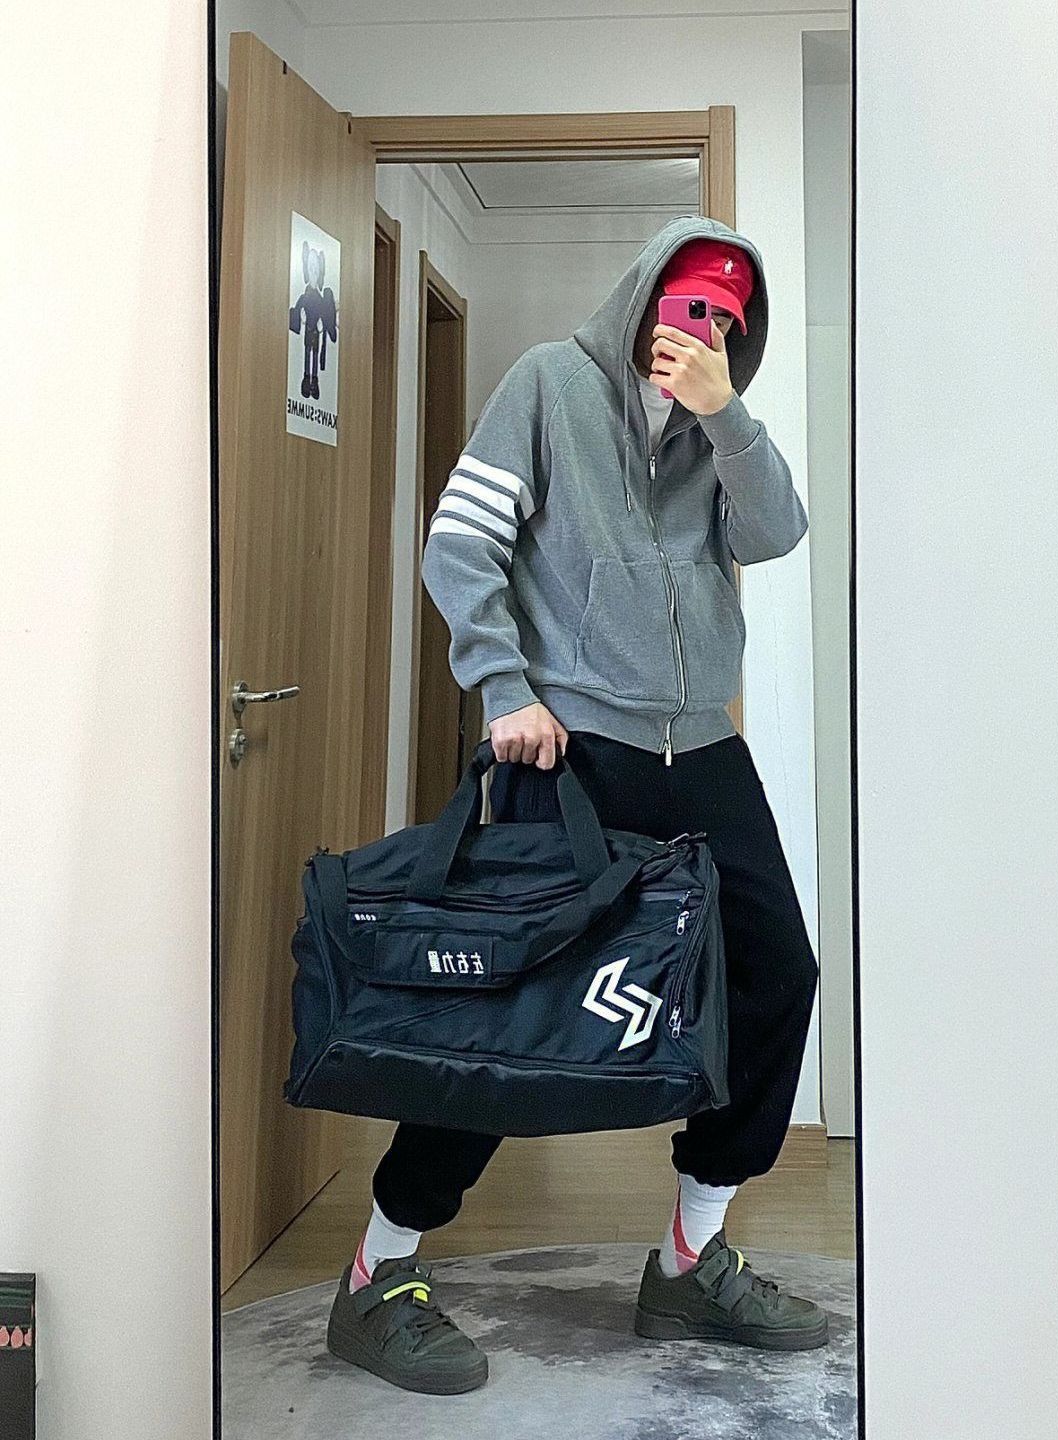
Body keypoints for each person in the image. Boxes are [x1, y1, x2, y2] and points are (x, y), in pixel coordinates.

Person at [325, 215, 824, 1394]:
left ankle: (691, 1258)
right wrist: (504, 686)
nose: (698, 329)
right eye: (687, 304)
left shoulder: (717, 429)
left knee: (776, 973)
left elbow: (775, 533)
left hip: (699, 743)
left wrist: (725, 413)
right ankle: (376, 1270)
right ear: (645, 295)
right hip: (568, 744)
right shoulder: (551, 382)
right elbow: (461, 542)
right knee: (516, 1008)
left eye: (724, 319)